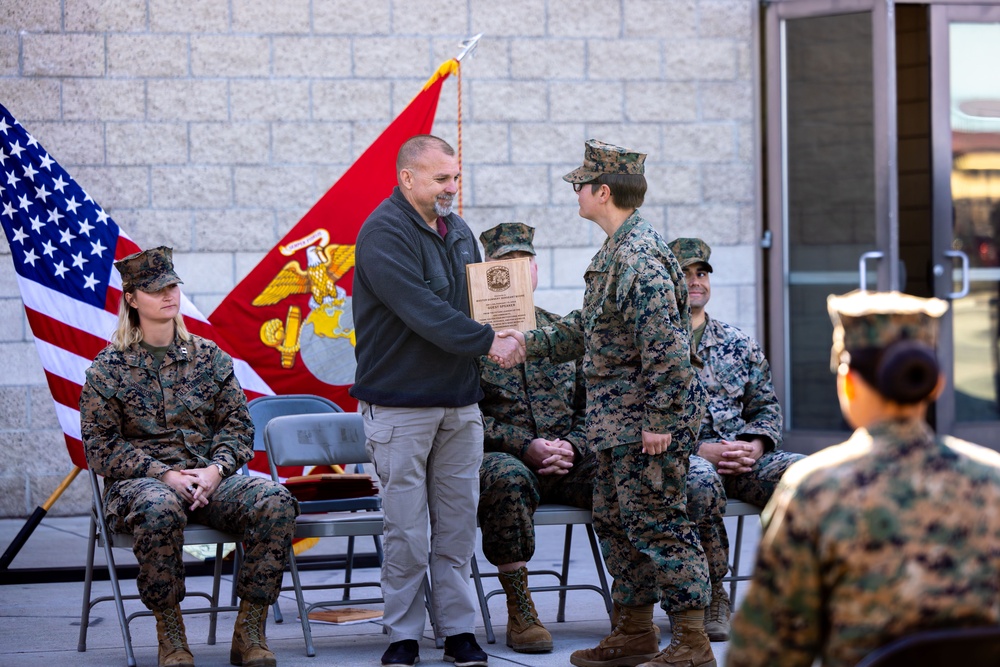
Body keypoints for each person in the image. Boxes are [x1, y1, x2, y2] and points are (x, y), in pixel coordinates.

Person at [503, 140, 715, 667]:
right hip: (613, 426)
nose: (575, 191)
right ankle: (635, 632)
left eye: (581, 184)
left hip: (644, 424)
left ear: (603, 191)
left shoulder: (639, 256)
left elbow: (665, 347)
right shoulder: (615, 251)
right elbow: (591, 330)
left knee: (659, 522)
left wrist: (661, 421)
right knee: (618, 522)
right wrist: (528, 342)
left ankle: (692, 642)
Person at [726, 290, 1000, 667]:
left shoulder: (815, 491)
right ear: (937, 383)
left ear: (848, 381)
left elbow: (764, 653)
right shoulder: (993, 482)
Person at [350, 135, 524, 667]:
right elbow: (420, 308)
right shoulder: (383, 232)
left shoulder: (460, 230)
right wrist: (487, 341)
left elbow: (478, 301)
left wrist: (515, 309)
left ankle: (457, 633)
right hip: (401, 405)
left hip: (459, 402)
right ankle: (402, 635)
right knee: (406, 528)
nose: (453, 187)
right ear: (407, 178)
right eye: (441, 179)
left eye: (455, 177)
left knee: (455, 526)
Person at [80, 246, 299, 667]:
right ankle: (172, 634)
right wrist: (165, 475)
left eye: (173, 285)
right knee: (159, 506)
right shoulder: (108, 369)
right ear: (131, 298)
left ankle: (250, 631)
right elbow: (101, 446)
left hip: (209, 480)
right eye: (156, 288)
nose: (169, 294)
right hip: (142, 488)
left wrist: (216, 471)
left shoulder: (210, 358)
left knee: (276, 500)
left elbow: (238, 427)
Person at [667, 237, 804, 641]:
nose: (696, 282)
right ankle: (712, 595)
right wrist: (699, 450)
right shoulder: (654, 345)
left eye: (702, 273)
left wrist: (756, 446)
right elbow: (635, 419)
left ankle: (796, 591)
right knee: (700, 479)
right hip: (684, 463)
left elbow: (766, 407)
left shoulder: (737, 342)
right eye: (686, 274)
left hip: (741, 458)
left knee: (805, 474)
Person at [476, 222, 597, 654]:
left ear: (537, 271)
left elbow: (593, 406)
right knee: (505, 477)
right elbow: (462, 418)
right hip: (500, 460)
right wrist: (523, 445)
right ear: (484, 276)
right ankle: (520, 609)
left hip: (566, 459)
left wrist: (573, 446)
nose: (515, 272)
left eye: (523, 262)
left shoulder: (561, 334)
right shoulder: (467, 339)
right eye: (503, 264)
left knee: (623, 471)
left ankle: (632, 602)